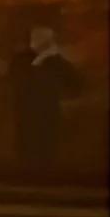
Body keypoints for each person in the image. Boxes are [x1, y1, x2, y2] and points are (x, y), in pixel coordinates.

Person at [6, 27, 81, 170]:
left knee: (45, 149)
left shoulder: (56, 61)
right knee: (26, 148)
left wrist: (66, 99)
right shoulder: (21, 60)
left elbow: (76, 83)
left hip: (46, 112)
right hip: (26, 113)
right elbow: (15, 79)